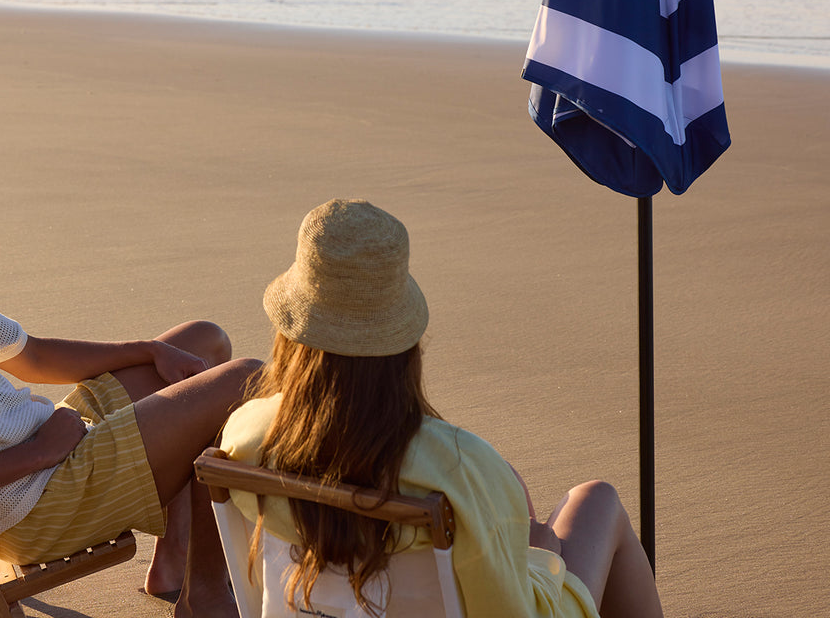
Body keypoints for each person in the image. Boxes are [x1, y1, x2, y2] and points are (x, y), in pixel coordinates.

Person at [0, 92, 260, 618]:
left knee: (200, 341)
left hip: (50, 446)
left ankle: (174, 562)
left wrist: (149, 350)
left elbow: (30, 355)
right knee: (244, 379)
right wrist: (43, 451)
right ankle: (204, 596)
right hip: (36, 503)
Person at [220, 198, 665, 618]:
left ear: (290, 335)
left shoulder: (245, 435)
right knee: (596, 500)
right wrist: (540, 556)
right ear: (403, 345)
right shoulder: (460, 467)